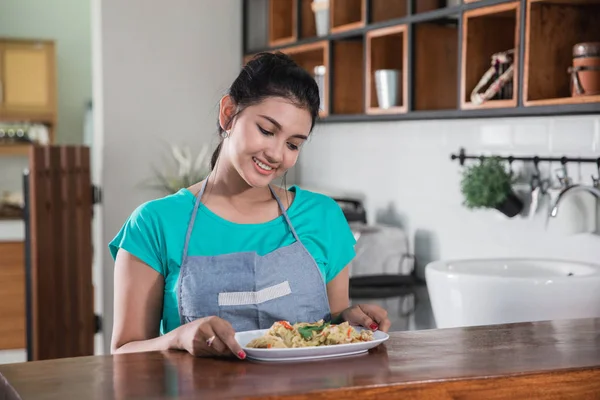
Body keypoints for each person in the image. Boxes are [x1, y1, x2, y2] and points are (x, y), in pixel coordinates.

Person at [109, 52, 391, 360]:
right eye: (267, 130)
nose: (276, 154)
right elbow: (123, 354)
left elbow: (332, 326)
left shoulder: (323, 217)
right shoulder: (154, 224)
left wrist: (351, 321)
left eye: (293, 144)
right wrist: (179, 337)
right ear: (228, 113)